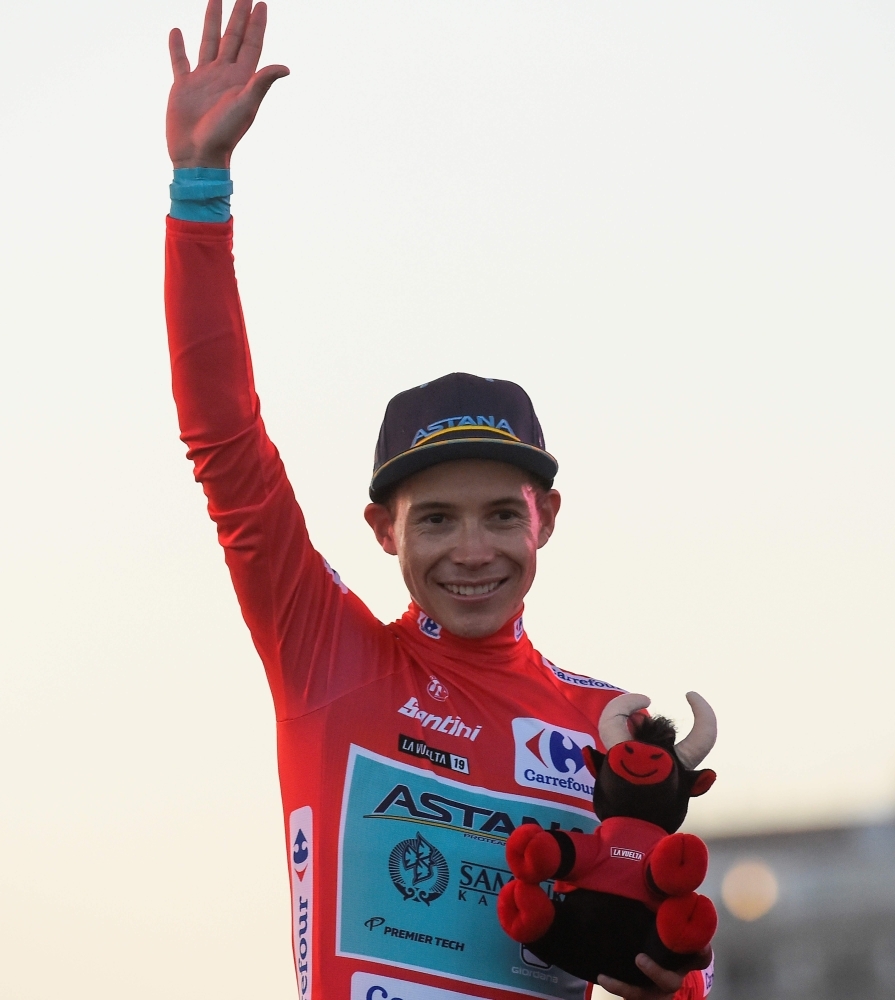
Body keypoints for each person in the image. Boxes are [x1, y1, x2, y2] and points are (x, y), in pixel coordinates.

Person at [164, 2, 714, 998]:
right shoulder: (327, 657)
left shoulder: (607, 733)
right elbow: (225, 444)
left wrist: (659, 983)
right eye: (436, 518)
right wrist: (199, 193)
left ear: (545, 520)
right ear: (383, 530)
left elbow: (672, 981)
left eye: (502, 514)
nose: (474, 549)